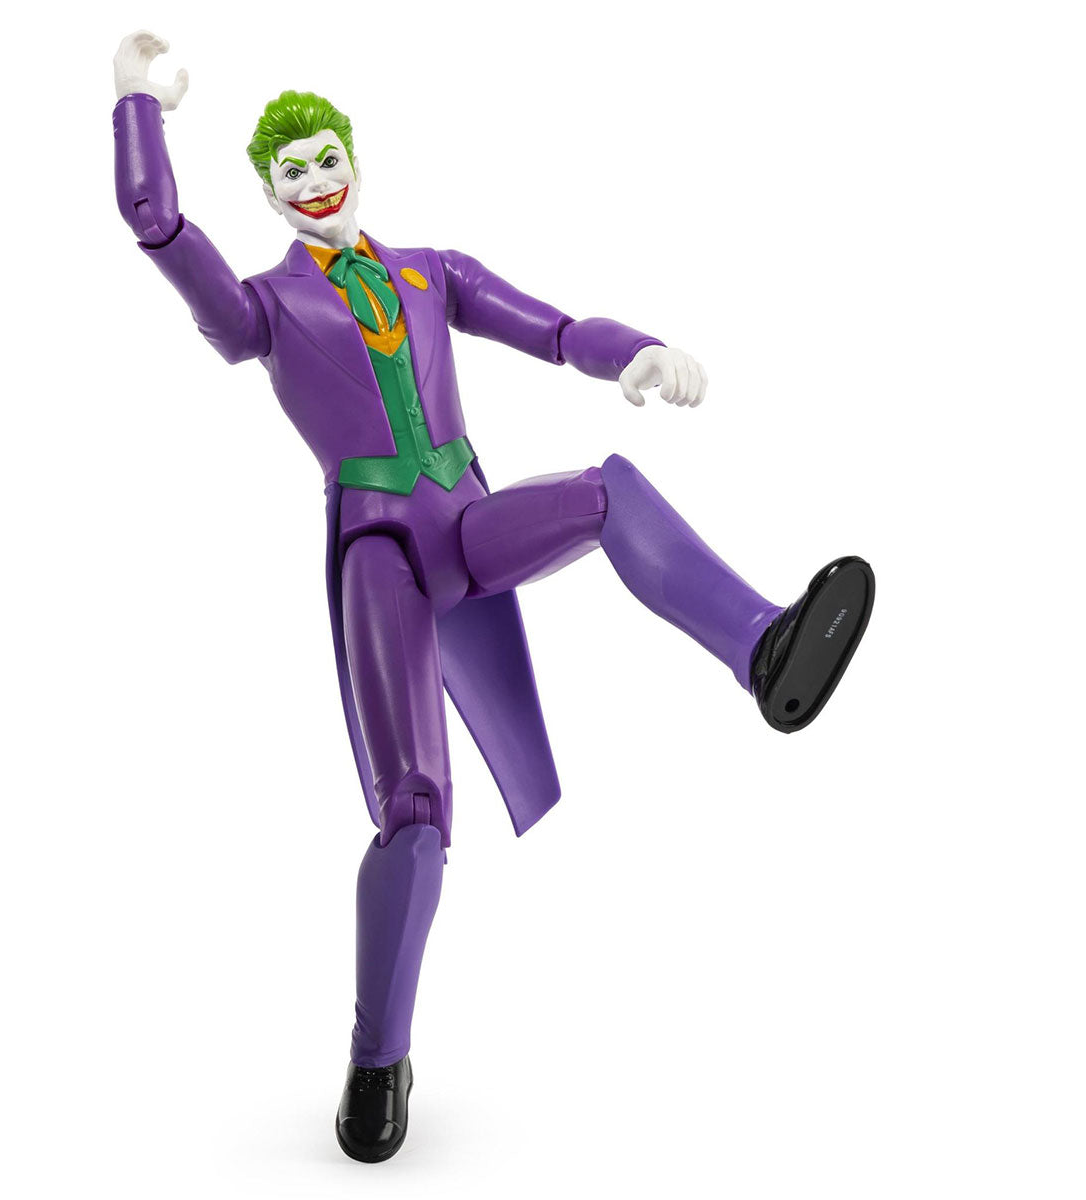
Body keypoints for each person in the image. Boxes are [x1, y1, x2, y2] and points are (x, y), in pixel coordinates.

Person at [111, 30, 875, 1163]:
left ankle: (763, 649)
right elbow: (159, 228)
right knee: (414, 814)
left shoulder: (431, 270)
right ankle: (380, 1056)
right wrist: (137, 110)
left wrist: (635, 350)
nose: (317, 182)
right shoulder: (264, 307)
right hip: (379, 552)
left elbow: (548, 328)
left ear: (358, 161)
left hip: (466, 522)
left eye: (329, 159)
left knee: (607, 490)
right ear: (269, 193)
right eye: (292, 172)